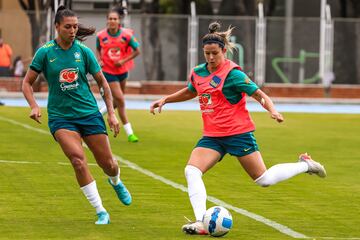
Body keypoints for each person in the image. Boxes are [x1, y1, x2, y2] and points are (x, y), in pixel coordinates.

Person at [150, 22, 327, 235]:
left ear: (224, 50)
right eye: (207, 53)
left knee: (264, 179)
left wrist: (272, 110)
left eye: (215, 53)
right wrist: (166, 100)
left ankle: (306, 165)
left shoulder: (233, 74)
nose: (211, 58)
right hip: (213, 137)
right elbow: (191, 91)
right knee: (191, 171)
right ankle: (201, 222)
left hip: (238, 134)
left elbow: (259, 94)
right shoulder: (198, 73)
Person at [22, 6, 132, 225]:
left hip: (89, 114)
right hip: (61, 118)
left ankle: (116, 181)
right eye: (68, 27)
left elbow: (103, 83)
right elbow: (26, 82)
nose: (73, 31)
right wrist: (34, 105)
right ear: (56, 27)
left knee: (108, 164)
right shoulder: (45, 52)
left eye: (75, 27)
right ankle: (101, 211)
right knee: (78, 161)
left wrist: (111, 114)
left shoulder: (83, 51)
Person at [96, 6, 141, 143]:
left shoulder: (126, 35)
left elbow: (137, 51)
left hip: (122, 72)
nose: (112, 21)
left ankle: (98, 115)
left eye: (115, 19)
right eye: (110, 18)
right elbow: (98, 49)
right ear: (107, 20)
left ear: (119, 20)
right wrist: (99, 60)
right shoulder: (101, 36)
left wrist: (123, 61)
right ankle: (130, 133)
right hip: (108, 72)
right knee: (121, 100)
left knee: (117, 101)